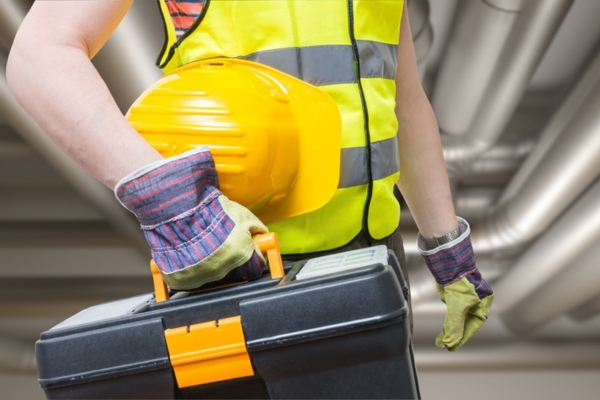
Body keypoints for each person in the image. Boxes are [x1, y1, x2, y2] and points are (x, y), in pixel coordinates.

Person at [7, 0, 492, 351]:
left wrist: (446, 245)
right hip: (241, 266)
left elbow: (400, 96)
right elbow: (40, 56)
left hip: (375, 263)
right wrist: (173, 206)